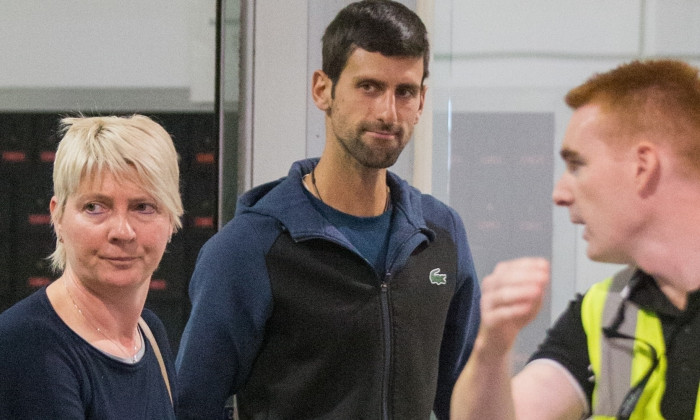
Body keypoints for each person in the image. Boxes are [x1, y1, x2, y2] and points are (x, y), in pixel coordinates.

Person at [175, 1, 481, 419]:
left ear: (422, 100)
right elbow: (192, 406)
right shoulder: (248, 249)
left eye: (404, 92)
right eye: (369, 86)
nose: (387, 112)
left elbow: (465, 400)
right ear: (323, 89)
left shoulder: (441, 235)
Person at [450, 59, 700, 420]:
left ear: (642, 167)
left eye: (577, 165)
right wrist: (493, 347)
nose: (559, 193)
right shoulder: (606, 312)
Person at [0, 115, 183, 419]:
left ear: (172, 220)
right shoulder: (24, 346)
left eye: (143, 207)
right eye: (95, 207)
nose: (122, 231)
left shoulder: (149, 332)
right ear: (58, 217)